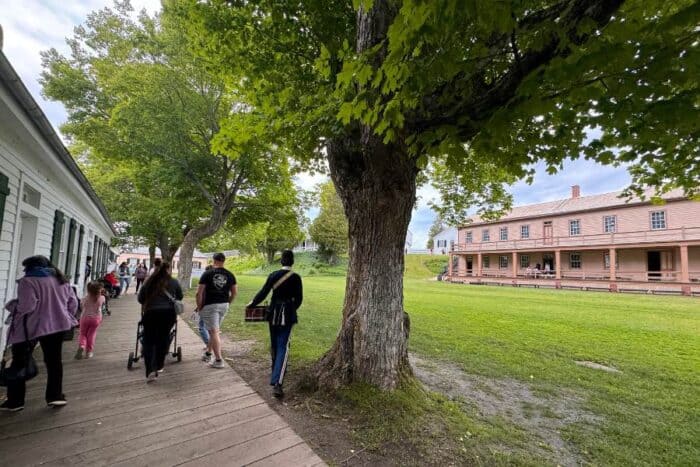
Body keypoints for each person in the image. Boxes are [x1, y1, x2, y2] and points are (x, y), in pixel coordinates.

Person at [1, 255, 78, 411]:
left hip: (30, 328)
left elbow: (27, 306)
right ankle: (55, 396)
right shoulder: (61, 280)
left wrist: (13, 306)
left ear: (29, 267)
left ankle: (15, 401)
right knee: (54, 362)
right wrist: (64, 315)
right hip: (57, 325)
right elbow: (73, 303)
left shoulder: (27, 281)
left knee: (19, 362)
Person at [246, 250, 303, 398]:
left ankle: (275, 370)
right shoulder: (296, 278)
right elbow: (299, 299)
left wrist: (252, 304)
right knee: (283, 345)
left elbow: (263, 292)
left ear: (281, 261)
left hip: (272, 313)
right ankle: (278, 382)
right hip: (288, 314)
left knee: (274, 344)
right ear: (293, 262)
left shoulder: (273, 275)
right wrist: (290, 309)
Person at [137, 261, 183, 382]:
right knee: (163, 338)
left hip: (150, 313)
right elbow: (180, 297)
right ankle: (159, 364)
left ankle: (150, 369)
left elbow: (140, 298)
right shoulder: (173, 282)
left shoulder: (149, 281)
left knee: (148, 340)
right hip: (167, 314)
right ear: (168, 270)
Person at [196, 253, 236, 369]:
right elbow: (234, 293)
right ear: (224, 260)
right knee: (214, 331)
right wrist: (228, 302)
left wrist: (199, 307)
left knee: (214, 332)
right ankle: (208, 354)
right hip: (224, 305)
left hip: (210, 306)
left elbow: (199, 293)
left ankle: (218, 360)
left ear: (214, 260)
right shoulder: (230, 274)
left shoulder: (207, 273)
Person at [75, 281, 106, 360]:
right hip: (96, 319)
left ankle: (82, 346)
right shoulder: (102, 298)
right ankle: (88, 352)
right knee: (91, 335)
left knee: (82, 334)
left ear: (88, 290)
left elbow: (82, 307)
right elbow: (102, 303)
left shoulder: (85, 298)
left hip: (84, 318)